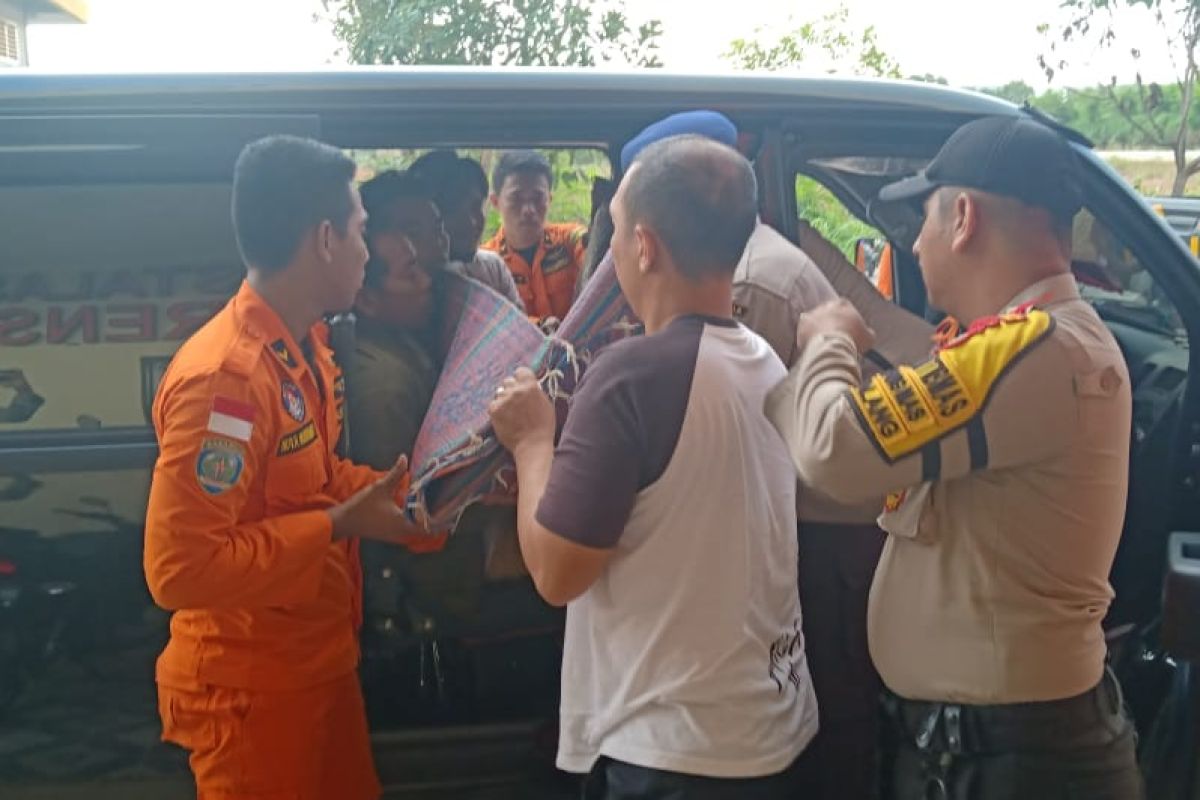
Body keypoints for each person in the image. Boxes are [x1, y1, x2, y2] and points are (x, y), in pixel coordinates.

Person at [766, 116, 1143, 799]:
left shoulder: (1029, 351)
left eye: (924, 219)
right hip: (993, 749)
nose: (914, 242)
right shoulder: (1040, 344)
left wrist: (828, 342)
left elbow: (833, 452)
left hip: (1012, 760)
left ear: (963, 217)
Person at [488, 135, 817, 798]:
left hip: (672, 750)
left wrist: (530, 442)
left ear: (643, 246)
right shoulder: (765, 359)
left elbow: (556, 571)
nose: (607, 251)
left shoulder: (633, 378)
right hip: (771, 725)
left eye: (612, 233)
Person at [143, 135, 428, 800]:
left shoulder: (302, 348)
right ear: (325, 238)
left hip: (316, 666)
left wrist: (430, 494)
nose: (369, 250)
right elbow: (180, 569)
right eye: (362, 230)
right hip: (252, 695)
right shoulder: (229, 378)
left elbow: (319, 485)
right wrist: (333, 527)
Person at [619, 108, 886, 800]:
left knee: (835, 711)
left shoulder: (744, 287)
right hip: (813, 520)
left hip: (824, 532)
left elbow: (721, 445)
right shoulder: (755, 263)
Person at [408, 149, 523, 307]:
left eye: (476, 207)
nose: (471, 222)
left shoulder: (493, 269)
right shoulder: (406, 286)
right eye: (452, 209)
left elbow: (519, 328)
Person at [482, 149, 586, 322]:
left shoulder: (569, 240)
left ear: (549, 200)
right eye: (517, 198)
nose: (528, 210)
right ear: (495, 202)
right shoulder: (487, 263)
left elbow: (593, 247)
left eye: (538, 198)